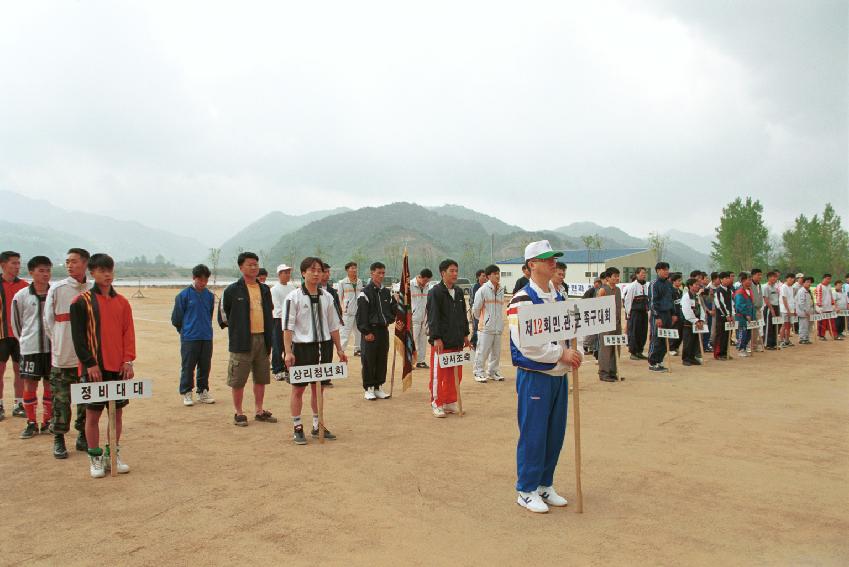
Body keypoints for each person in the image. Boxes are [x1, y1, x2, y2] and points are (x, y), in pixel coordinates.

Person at [507, 240, 580, 513]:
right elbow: (526, 343)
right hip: (535, 376)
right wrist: (560, 354)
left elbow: (573, 328)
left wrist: (575, 351)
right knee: (534, 433)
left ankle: (544, 484)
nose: (553, 263)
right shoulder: (521, 300)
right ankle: (526, 489)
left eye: (555, 258)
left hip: (558, 377)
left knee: (554, 433)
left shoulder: (559, 296)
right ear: (531, 265)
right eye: (547, 259)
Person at [70, 253, 135, 478]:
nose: (107, 274)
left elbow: (128, 333)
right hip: (94, 369)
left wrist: (128, 360)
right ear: (92, 273)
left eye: (110, 270)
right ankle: (95, 457)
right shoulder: (81, 302)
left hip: (117, 368)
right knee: (93, 415)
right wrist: (90, 364)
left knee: (116, 414)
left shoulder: (123, 302)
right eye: (101, 270)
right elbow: (78, 339)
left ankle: (112, 454)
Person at [283, 257, 347, 444]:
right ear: (303, 273)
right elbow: (288, 327)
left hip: (324, 346)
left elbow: (333, 326)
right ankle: (297, 426)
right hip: (302, 348)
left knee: (318, 390)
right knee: (298, 389)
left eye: (320, 270)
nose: (317, 273)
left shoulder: (327, 297)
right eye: (312, 270)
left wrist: (340, 349)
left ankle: (318, 424)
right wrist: (288, 351)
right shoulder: (293, 298)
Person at [218, 252, 276, 427]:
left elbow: (269, 311)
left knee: (261, 377)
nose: (254, 267)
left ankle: (259, 410)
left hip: (262, 339)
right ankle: (239, 412)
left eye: (256, 264)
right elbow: (224, 313)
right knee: (238, 379)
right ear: (241, 267)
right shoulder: (232, 290)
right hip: (242, 341)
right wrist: (238, 329)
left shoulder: (265, 289)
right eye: (250, 264)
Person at [45, 248, 91, 458]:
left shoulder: (94, 289)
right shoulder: (58, 289)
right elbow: (48, 323)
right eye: (67, 261)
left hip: (87, 359)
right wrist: (59, 343)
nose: (69, 265)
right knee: (61, 400)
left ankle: (82, 434)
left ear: (85, 263)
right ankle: (59, 438)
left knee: (85, 398)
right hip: (62, 357)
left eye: (74, 261)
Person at [11, 256, 53, 438]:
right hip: (30, 348)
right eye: (41, 270)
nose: (45, 274)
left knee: (51, 384)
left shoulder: (56, 293)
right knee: (30, 384)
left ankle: (48, 421)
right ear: (31, 272)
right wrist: (26, 340)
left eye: (48, 270)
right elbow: (16, 324)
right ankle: (31, 422)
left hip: (53, 349)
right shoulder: (21, 296)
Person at [427, 259, 471, 417]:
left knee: (455, 374)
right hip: (442, 342)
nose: (455, 274)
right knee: (439, 375)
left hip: (457, 340)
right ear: (443, 273)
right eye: (451, 271)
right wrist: (436, 337)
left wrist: (465, 335)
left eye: (456, 271)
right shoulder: (435, 292)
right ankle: (437, 403)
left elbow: (463, 315)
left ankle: (449, 401)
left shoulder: (459, 292)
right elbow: (433, 317)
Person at [171, 264, 216, 406]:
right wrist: (184, 331)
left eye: (205, 280)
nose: (203, 283)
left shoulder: (209, 296)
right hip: (189, 338)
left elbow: (209, 314)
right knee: (188, 366)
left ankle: (202, 391)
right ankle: (187, 392)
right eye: (200, 280)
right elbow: (176, 319)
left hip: (206, 337)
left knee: (205, 365)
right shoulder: (183, 295)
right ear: (194, 278)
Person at [356, 261, 398, 400]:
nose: (381, 275)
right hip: (370, 331)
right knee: (369, 359)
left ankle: (379, 386)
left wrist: (397, 303)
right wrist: (366, 332)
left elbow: (392, 310)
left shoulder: (386, 292)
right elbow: (361, 314)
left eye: (383, 273)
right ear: (372, 273)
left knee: (382, 358)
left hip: (383, 330)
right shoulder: (365, 293)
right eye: (378, 273)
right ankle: (369, 388)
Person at [0, 250, 29, 420]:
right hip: (1, 335)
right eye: (14, 263)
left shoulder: (24, 286)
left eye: (19, 263)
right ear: (3, 265)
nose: (17, 266)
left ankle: (19, 404)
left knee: (20, 372)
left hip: (21, 336)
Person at [472, 264, 505, 382]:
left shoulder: (501, 289)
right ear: (488, 276)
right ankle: (478, 372)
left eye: (498, 273)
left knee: (496, 352)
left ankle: (493, 372)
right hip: (485, 327)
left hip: (497, 327)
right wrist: (485, 320)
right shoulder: (483, 290)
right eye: (495, 274)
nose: (497, 276)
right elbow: (476, 309)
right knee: (482, 351)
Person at [270, 264, 298, 381]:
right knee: (278, 345)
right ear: (279, 274)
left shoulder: (292, 288)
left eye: (288, 272)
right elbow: (277, 307)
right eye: (285, 272)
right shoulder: (274, 289)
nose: (287, 275)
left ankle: (288, 368)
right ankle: (277, 369)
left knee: (291, 344)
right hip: (279, 320)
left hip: (291, 320)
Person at [596, 267, 622, 382]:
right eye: (614, 276)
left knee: (615, 348)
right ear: (607, 278)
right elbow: (597, 307)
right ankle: (603, 373)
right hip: (606, 324)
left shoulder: (618, 290)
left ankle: (613, 372)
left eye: (618, 276)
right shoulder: (603, 290)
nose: (617, 278)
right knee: (605, 349)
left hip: (617, 323)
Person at [648, 262, 674, 372]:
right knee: (656, 339)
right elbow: (653, 302)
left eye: (667, 269)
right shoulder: (654, 284)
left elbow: (671, 299)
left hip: (668, 314)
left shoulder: (668, 284)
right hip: (658, 315)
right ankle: (652, 362)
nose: (667, 271)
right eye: (664, 269)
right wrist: (657, 316)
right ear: (658, 271)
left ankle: (660, 360)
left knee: (665, 339)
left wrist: (673, 314)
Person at [336, 262, 363, 356]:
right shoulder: (342, 282)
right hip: (347, 312)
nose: (354, 270)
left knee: (359, 331)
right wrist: (342, 310)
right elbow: (339, 298)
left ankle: (358, 349)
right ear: (347, 270)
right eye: (352, 268)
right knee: (344, 332)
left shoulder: (360, 282)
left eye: (355, 268)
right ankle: (341, 350)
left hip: (358, 311)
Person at [623, 267, 649, 360]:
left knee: (642, 332)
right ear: (637, 274)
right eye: (642, 273)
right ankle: (633, 352)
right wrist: (628, 313)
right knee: (634, 332)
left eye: (645, 273)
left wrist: (647, 309)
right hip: (635, 313)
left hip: (643, 313)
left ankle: (639, 351)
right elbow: (628, 300)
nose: (644, 275)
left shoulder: (646, 285)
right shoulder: (632, 286)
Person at [410, 268, 433, 368]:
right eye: (424, 281)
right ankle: (409, 361)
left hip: (424, 318)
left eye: (428, 281)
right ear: (419, 277)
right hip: (413, 319)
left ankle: (421, 361)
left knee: (423, 341)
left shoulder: (428, 286)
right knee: (412, 340)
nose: (425, 283)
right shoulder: (410, 285)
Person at [680, 278, 705, 365]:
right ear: (690, 286)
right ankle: (686, 359)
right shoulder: (686, 297)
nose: (698, 286)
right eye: (696, 285)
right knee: (688, 341)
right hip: (688, 323)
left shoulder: (697, 296)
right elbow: (687, 311)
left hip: (697, 322)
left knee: (695, 341)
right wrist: (695, 320)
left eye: (698, 285)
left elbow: (701, 308)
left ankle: (692, 357)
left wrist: (701, 319)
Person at [713, 271, 734, 359]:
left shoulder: (729, 290)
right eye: (726, 278)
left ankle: (725, 352)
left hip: (729, 316)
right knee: (720, 335)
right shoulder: (718, 291)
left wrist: (732, 314)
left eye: (728, 278)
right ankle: (718, 354)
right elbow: (720, 305)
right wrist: (727, 315)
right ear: (721, 280)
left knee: (727, 335)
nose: (728, 280)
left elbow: (731, 303)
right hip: (722, 317)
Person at [733, 273, 754, 357]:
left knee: (748, 334)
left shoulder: (749, 290)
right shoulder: (739, 292)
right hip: (742, 317)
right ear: (743, 281)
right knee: (742, 333)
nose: (750, 282)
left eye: (750, 280)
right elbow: (739, 305)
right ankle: (741, 349)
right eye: (748, 280)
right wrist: (746, 315)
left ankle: (744, 347)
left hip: (750, 316)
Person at [815, 274, 840, 340]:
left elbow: (831, 296)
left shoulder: (829, 286)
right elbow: (818, 297)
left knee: (832, 322)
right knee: (822, 322)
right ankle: (821, 336)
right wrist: (819, 307)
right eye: (828, 278)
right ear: (824, 278)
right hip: (822, 308)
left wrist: (833, 306)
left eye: (830, 279)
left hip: (829, 307)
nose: (829, 280)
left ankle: (834, 335)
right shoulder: (819, 286)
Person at [762, 271, 781, 350]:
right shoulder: (765, 287)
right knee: (768, 326)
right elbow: (766, 299)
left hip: (776, 307)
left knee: (775, 326)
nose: (774, 278)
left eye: (775, 277)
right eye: (772, 277)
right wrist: (772, 309)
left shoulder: (776, 287)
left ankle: (774, 343)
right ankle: (767, 344)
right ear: (768, 278)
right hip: (769, 308)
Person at [667, 273, 684, 355]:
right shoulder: (670, 292)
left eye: (681, 280)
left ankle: (676, 347)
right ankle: (671, 348)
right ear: (673, 282)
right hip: (674, 315)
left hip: (681, 315)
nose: (680, 282)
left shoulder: (680, 292)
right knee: (674, 331)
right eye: (678, 281)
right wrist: (672, 314)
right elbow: (670, 304)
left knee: (680, 332)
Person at [749, 269, 765, 352]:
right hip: (751, 309)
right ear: (753, 275)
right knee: (750, 328)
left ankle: (754, 346)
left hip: (758, 309)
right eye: (758, 275)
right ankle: (749, 346)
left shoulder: (759, 285)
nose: (760, 277)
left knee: (756, 328)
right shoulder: (749, 284)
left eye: (761, 275)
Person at [470, 269, 487, 349]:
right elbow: (474, 301)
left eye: (485, 276)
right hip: (476, 311)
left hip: (484, 312)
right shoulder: (475, 287)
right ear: (478, 277)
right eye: (483, 276)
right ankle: (474, 343)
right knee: (476, 327)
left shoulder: (486, 287)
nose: (485, 278)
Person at [779, 273, 797, 347]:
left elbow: (791, 299)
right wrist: (788, 310)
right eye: (790, 279)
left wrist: (793, 309)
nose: (792, 280)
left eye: (793, 279)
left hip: (791, 309)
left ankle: (787, 340)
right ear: (787, 279)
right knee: (784, 325)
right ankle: (781, 341)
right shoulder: (784, 287)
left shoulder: (791, 287)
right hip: (785, 310)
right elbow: (784, 299)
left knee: (789, 326)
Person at [795, 277, 814, 344]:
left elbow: (811, 301)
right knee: (803, 325)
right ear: (803, 283)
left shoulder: (809, 290)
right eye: (807, 282)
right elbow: (801, 303)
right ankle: (802, 338)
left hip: (809, 311)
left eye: (810, 282)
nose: (809, 283)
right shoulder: (801, 291)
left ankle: (807, 338)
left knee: (809, 326)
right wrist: (806, 311)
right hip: (803, 312)